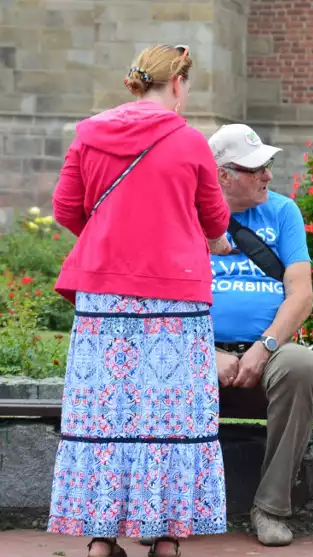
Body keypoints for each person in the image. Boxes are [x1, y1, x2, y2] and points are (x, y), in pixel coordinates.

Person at [48, 44, 231, 557]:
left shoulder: (88, 134)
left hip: (103, 296)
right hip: (175, 298)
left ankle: (101, 540)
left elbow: (66, 208)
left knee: (105, 414)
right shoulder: (191, 141)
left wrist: (113, 242)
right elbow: (215, 220)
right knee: (169, 418)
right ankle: (168, 539)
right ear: (177, 84)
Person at [207, 124, 313, 547]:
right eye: (256, 168)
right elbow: (168, 300)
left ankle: (270, 507)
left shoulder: (282, 212)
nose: (268, 175)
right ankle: (167, 507)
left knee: (303, 364)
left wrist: (266, 345)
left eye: (267, 165)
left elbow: (301, 295)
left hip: (269, 350)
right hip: (199, 349)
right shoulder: (185, 215)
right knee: (163, 365)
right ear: (222, 174)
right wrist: (205, 352)